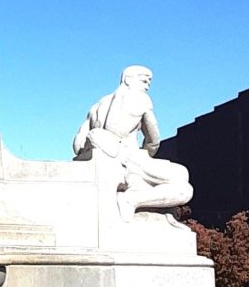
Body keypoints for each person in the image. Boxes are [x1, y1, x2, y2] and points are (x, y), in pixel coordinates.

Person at [73, 66, 193, 222]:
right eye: (144, 81)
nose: (147, 85)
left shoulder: (97, 106)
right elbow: (153, 139)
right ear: (128, 79)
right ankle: (132, 200)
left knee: (178, 175)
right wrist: (146, 152)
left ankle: (135, 193)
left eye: (149, 82)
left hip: (114, 158)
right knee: (183, 185)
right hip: (129, 159)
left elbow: (77, 144)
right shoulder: (139, 98)